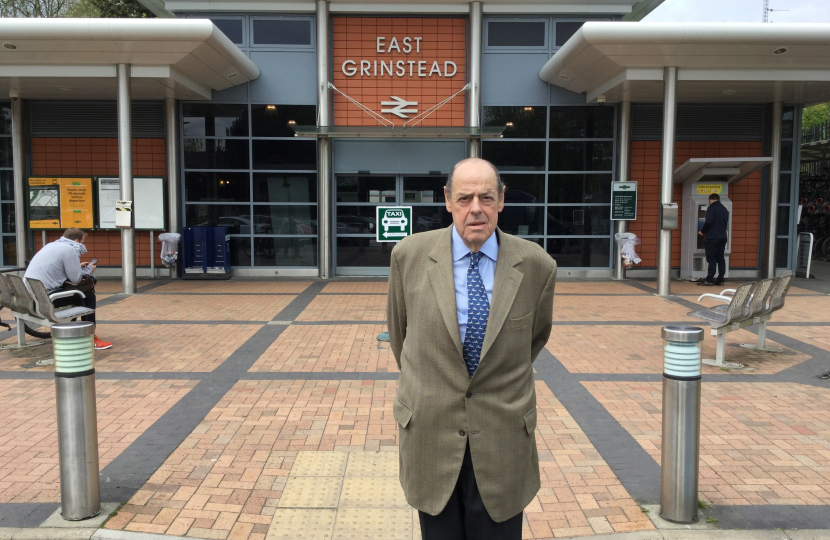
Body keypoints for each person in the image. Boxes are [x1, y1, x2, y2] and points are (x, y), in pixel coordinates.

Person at [387, 157, 557, 540]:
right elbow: (401, 337)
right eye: (465, 198)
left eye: (486, 197)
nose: (475, 208)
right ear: (448, 200)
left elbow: (535, 338)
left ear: (502, 200)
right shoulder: (408, 257)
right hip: (431, 437)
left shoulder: (537, 266)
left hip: (503, 441)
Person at [24, 228, 112, 350]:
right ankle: (90, 337)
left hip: (31, 298)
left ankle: (72, 329)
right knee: (87, 296)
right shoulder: (70, 249)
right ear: (76, 240)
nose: (82, 245)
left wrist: (77, 267)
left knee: (76, 295)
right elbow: (76, 279)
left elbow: (56, 268)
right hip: (46, 299)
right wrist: (89, 269)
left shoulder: (51, 245)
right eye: (82, 242)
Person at [698, 193, 730, 286]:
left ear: (710, 200)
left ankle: (709, 280)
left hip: (712, 237)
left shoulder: (711, 208)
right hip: (723, 237)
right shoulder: (724, 209)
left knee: (712, 258)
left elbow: (708, 222)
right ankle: (720, 280)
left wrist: (702, 231)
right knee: (720, 258)